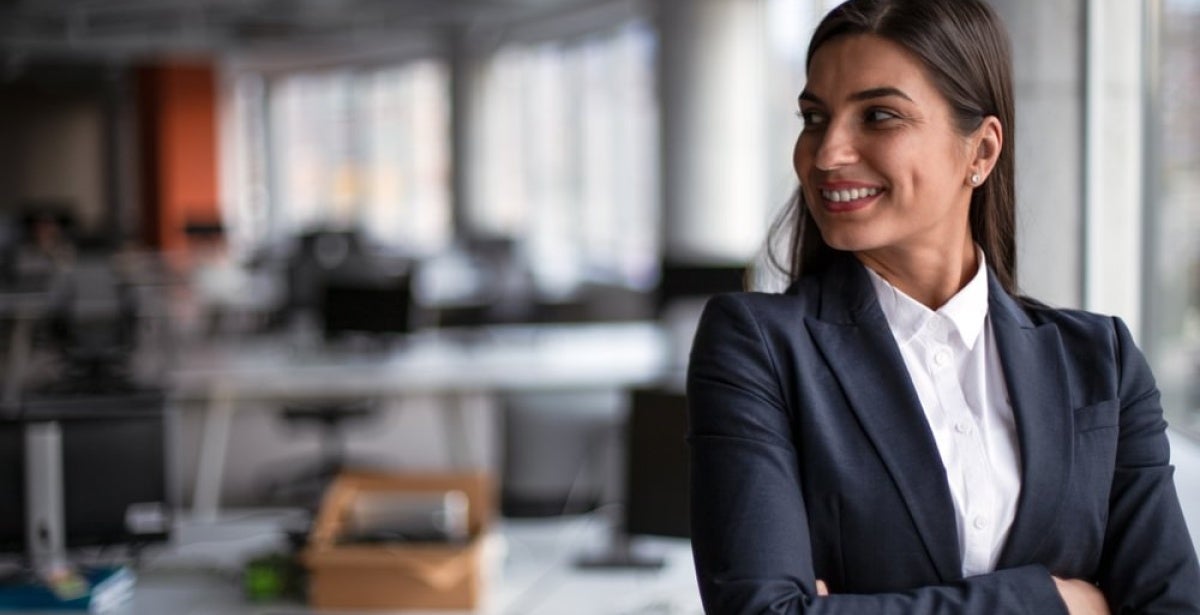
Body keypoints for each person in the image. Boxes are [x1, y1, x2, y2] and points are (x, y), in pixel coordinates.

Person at [685, 0, 1200, 613]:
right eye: (814, 118)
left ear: (980, 152)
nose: (826, 154)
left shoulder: (1100, 361)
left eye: (878, 116)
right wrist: (1057, 602)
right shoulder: (757, 347)